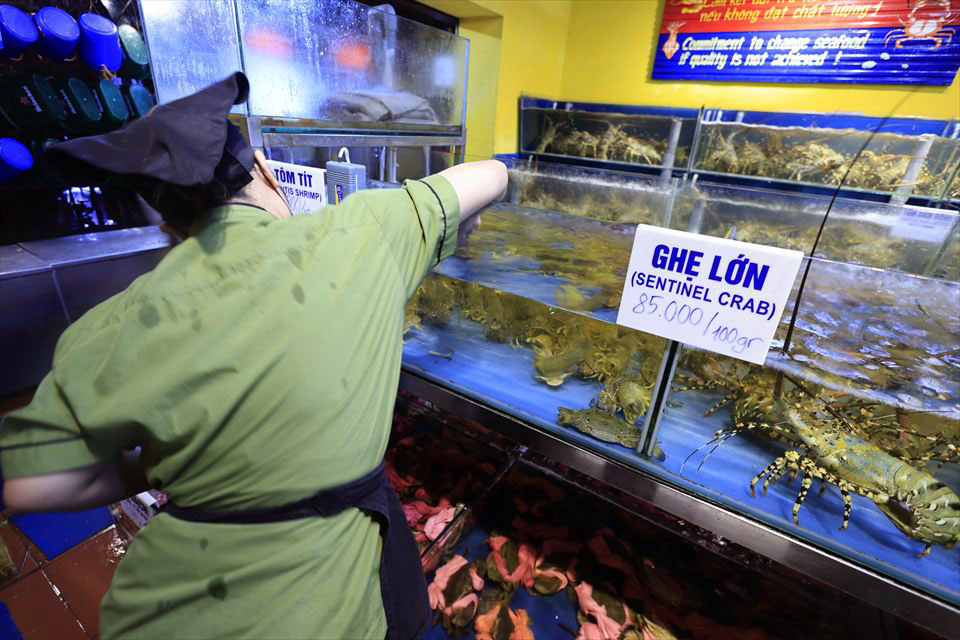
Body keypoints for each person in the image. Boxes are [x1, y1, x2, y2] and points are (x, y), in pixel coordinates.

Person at [0, 73, 507, 639]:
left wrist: (162, 464)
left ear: (170, 227)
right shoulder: (361, 231)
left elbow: (28, 485)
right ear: (266, 170)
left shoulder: (115, 320)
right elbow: (490, 173)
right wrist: (468, 211)